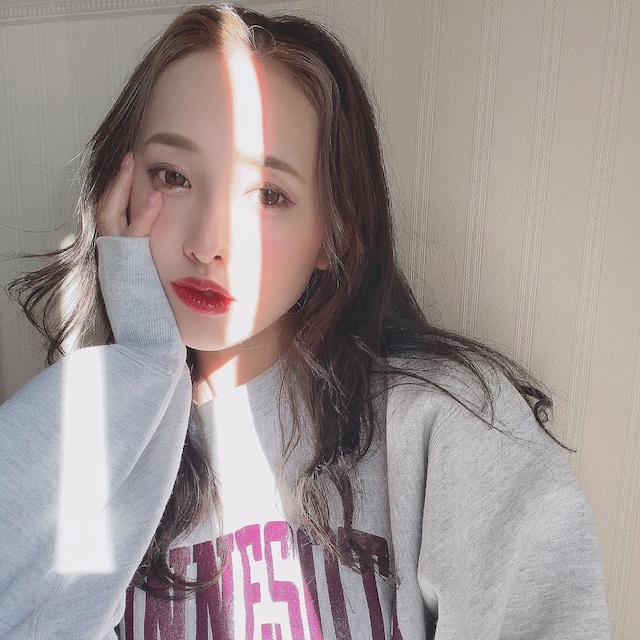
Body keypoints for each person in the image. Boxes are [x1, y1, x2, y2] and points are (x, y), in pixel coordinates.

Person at [0, 4, 610, 639]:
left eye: (269, 195)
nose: (208, 244)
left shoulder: (438, 427)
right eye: (173, 177)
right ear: (120, 189)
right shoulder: (88, 441)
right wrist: (139, 367)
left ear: (333, 232)